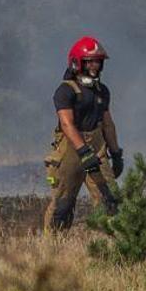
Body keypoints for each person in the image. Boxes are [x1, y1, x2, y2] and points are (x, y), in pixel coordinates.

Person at [43, 35, 123, 231]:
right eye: (90, 62)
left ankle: (116, 250)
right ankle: (50, 249)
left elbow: (108, 124)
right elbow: (67, 124)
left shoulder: (102, 91)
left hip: (97, 146)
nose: (95, 66)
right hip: (70, 148)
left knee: (110, 199)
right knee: (63, 205)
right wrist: (84, 152)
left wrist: (116, 153)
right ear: (77, 63)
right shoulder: (65, 91)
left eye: (98, 61)